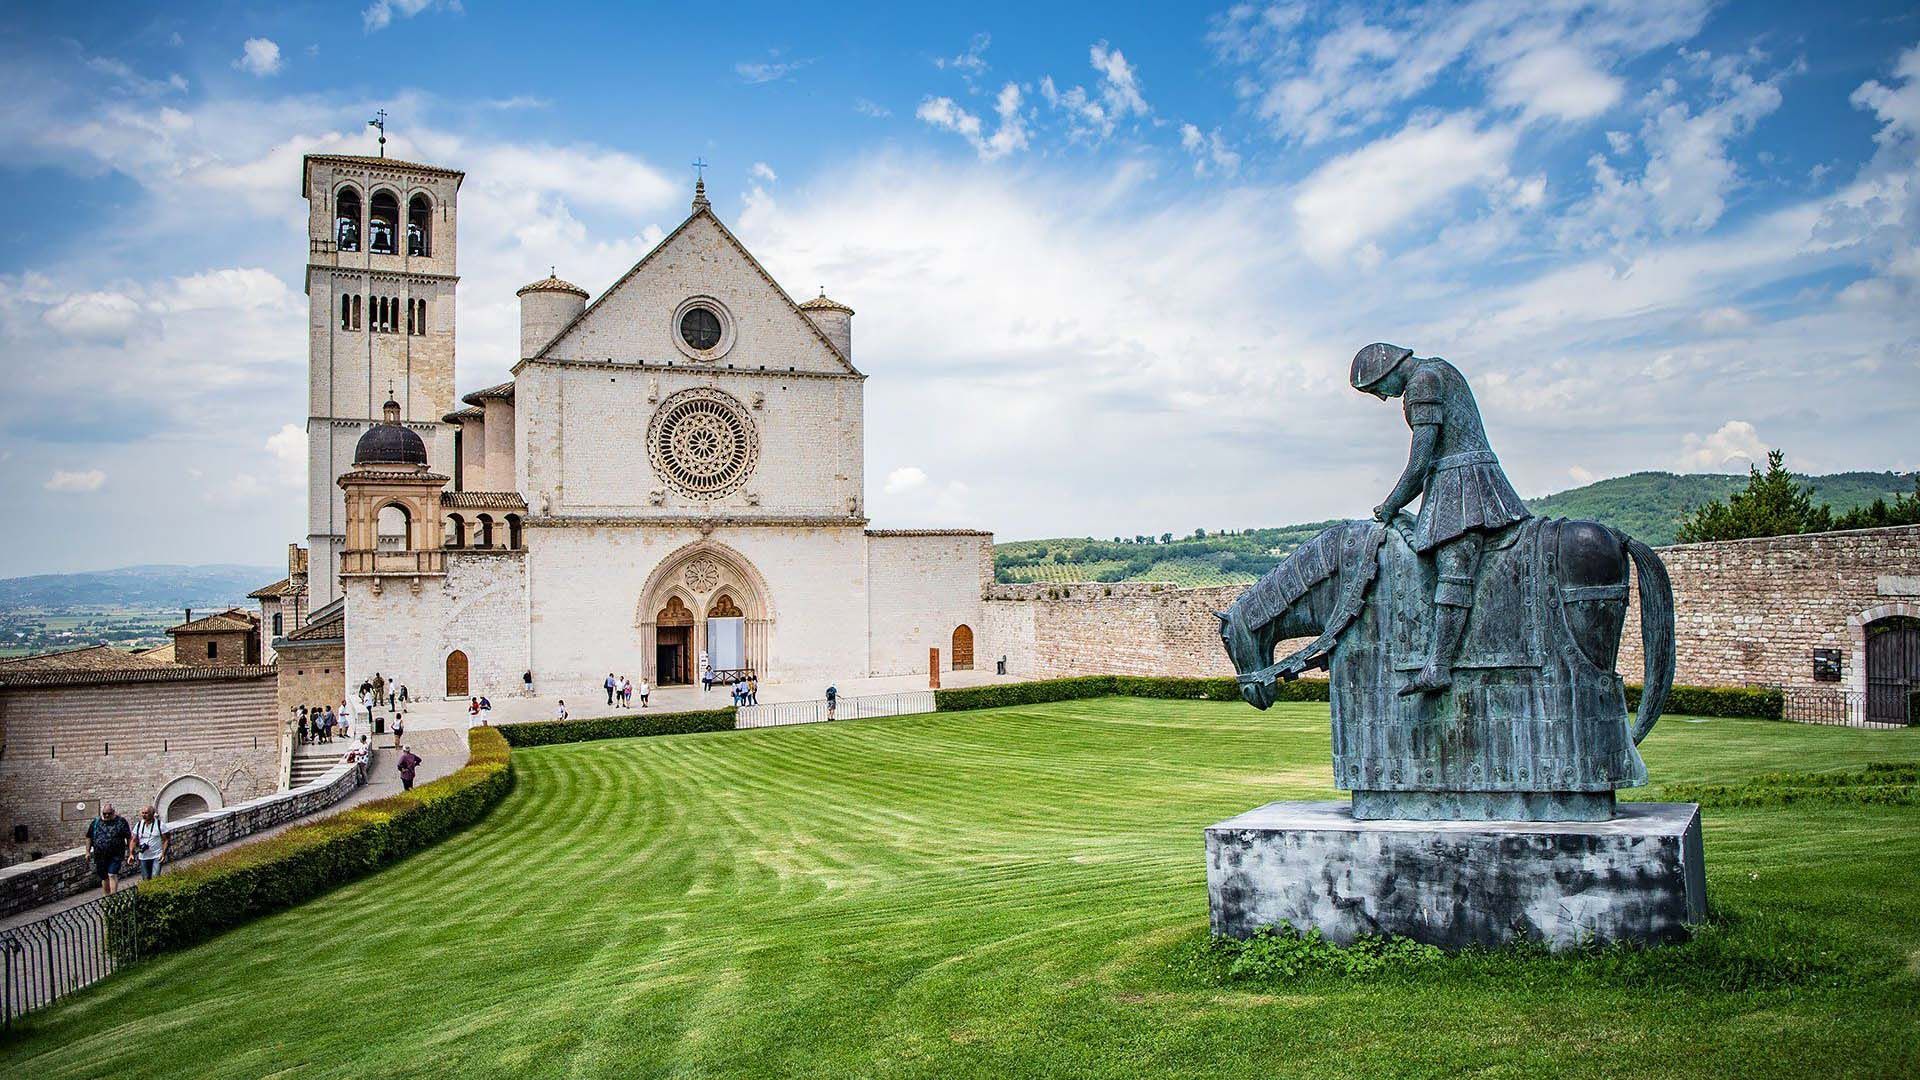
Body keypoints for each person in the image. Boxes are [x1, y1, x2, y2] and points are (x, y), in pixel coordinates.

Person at [1352, 342, 1530, 696]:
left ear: (1387, 373)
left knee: (1453, 566)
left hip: (1463, 483)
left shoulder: (1423, 382)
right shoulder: (1438, 368)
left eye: (1376, 390)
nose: (1382, 398)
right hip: (1455, 478)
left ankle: (1438, 665)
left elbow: (1419, 463)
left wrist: (1389, 506)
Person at [85, 802, 133, 896]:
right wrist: (87, 852)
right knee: (104, 877)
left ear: (113, 812)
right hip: (100, 855)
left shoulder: (121, 821)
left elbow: (129, 837)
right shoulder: (96, 822)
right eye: (104, 813)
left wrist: (131, 852)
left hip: (116, 854)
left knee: (112, 874)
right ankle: (106, 897)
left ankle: (113, 896)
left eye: (109, 813)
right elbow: (89, 837)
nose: (107, 815)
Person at [131, 804, 168, 880]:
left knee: (155, 877)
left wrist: (163, 854)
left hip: (156, 856)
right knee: (145, 879)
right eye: (143, 813)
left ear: (152, 814)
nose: (144, 815)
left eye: (146, 813)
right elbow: (134, 840)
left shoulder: (160, 825)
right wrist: (131, 853)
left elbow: (166, 840)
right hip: (143, 856)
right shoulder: (139, 825)